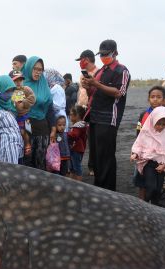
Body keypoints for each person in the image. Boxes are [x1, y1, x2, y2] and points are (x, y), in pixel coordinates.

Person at [81, 39, 130, 191]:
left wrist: (96, 84)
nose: (103, 57)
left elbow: (118, 93)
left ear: (115, 53)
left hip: (108, 118)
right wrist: (88, 86)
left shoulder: (122, 71)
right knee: (96, 156)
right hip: (95, 116)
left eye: (106, 54)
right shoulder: (101, 71)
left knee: (106, 156)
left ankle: (108, 189)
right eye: (101, 54)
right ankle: (99, 187)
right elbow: (93, 94)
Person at [131, 106, 165, 206]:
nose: (161, 127)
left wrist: (164, 165)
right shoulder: (146, 131)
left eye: (163, 124)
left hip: (161, 165)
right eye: (158, 124)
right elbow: (139, 144)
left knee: (158, 189)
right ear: (153, 120)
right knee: (151, 187)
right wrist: (135, 154)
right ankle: (145, 204)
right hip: (148, 163)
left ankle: (155, 206)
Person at [22, 56, 52, 170]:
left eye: (40, 69)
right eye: (35, 68)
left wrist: (53, 128)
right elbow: (16, 106)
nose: (38, 72)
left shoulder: (44, 84)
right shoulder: (21, 84)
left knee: (40, 160)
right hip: (26, 126)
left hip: (42, 127)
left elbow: (50, 108)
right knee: (27, 160)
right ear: (29, 68)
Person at [75, 49, 97, 176]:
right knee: (79, 136)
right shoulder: (82, 74)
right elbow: (81, 91)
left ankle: (92, 166)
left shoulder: (98, 73)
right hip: (81, 108)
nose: (80, 63)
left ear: (86, 60)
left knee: (92, 138)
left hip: (91, 109)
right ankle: (77, 163)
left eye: (81, 60)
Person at [10, 70, 34, 159]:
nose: (18, 82)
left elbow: (32, 98)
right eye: (16, 80)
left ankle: (27, 145)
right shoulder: (11, 91)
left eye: (20, 80)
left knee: (27, 130)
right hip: (16, 116)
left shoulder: (26, 89)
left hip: (25, 115)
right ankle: (21, 147)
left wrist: (24, 103)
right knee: (20, 132)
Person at [67, 105, 88, 181]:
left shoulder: (78, 126)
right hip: (76, 149)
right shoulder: (81, 124)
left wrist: (66, 133)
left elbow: (75, 135)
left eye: (71, 114)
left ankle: (79, 184)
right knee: (72, 167)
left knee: (77, 168)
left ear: (77, 116)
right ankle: (72, 182)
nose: (69, 116)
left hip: (77, 149)